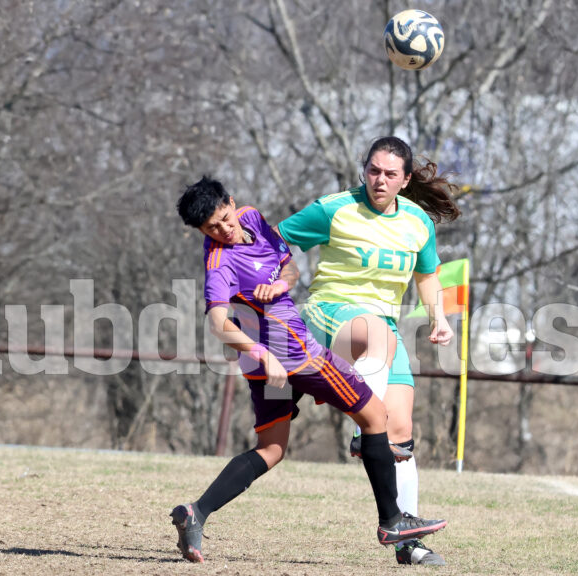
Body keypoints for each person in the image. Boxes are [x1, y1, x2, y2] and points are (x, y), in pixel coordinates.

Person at [170, 176, 447, 563]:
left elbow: (290, 269)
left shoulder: (253, 219)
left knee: (271, 448)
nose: (224, 230)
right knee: (375, 416)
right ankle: (392, 521)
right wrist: (264, 354)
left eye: (224, 219)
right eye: (212, 228)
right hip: (296, 355)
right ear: (201, 231)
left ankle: (196, 513)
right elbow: (218, 323)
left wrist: (279, 286)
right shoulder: (219, 261)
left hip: (269, 363)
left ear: (232, 204)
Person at [275, 136, 461, 566]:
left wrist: (438, 317)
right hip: (328, 314)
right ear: (364, 169)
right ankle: (365, 430)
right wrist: (281, 282)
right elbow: (278, 240)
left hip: (384, 330)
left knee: (400, 435)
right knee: (376, 346)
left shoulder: (417, 222)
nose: (379, 179)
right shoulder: (334, 208)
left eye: (390, 174)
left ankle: (406, 540)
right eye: (373, 170)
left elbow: (428, 276)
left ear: (405, 179)